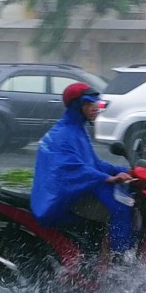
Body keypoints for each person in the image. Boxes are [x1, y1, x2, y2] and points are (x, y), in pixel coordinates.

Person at [29, 82, 135, 257]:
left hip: (82, 189)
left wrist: (122, 170)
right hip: (65, 197)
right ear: (76, 106)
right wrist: (107, 178)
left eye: (96, 104)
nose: (94, 108)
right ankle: (116, 262)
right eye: (88, 104)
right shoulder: (62, 134)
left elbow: (93, 163)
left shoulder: (78, 130)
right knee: (118, 209)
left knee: (129, 204)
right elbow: (70, 168)